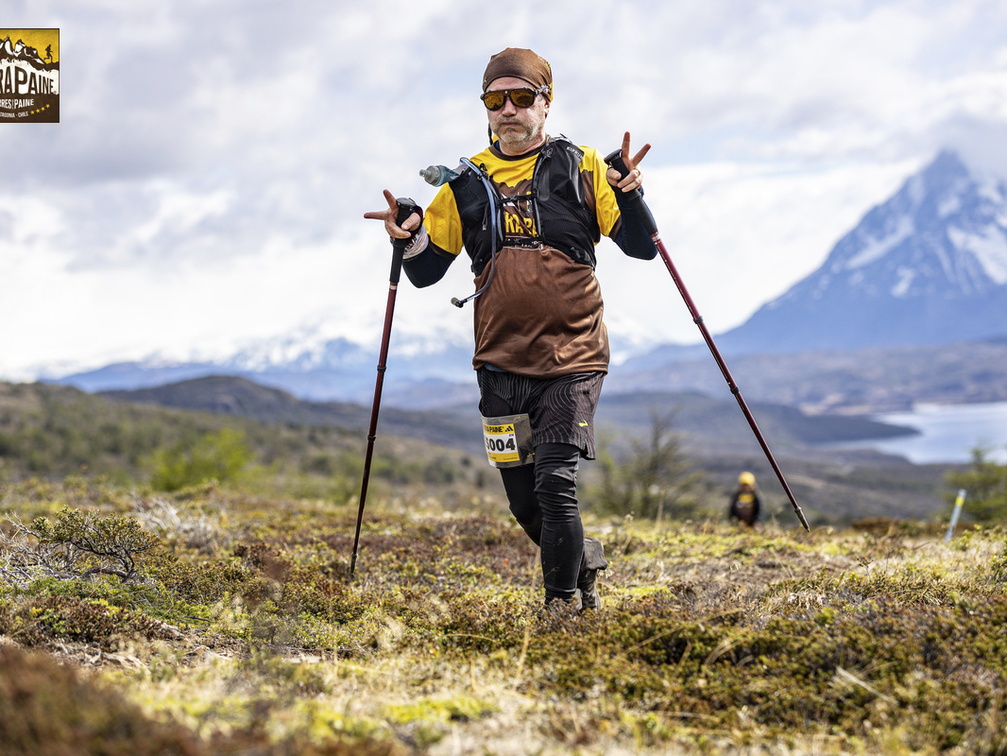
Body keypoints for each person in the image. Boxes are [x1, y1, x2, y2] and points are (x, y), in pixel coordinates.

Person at [365, 48, 657, 614]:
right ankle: (583, 560)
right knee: (525, 504)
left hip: (573, 357)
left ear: (546, 103)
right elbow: (426, 274)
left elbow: (643, 247)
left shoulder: (585, 166)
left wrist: (629, 192)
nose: (508, 110)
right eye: (495, 100)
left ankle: (562, 606)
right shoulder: (463, 185)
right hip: (498, 361)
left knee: (554, 481)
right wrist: (409, 233)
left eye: (522, 98)